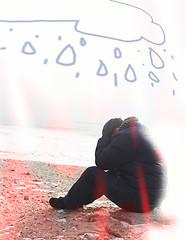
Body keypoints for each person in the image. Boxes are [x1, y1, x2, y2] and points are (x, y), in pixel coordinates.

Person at [49, 117, 166, 213]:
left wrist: (105, 137)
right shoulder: (143, 135)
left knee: (92, 173)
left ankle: (67, 203)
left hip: (137, 201)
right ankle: (76, 201)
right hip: (151, 201)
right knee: (110, 175)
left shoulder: (125, 136)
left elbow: (101, 162)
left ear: (115, 131)